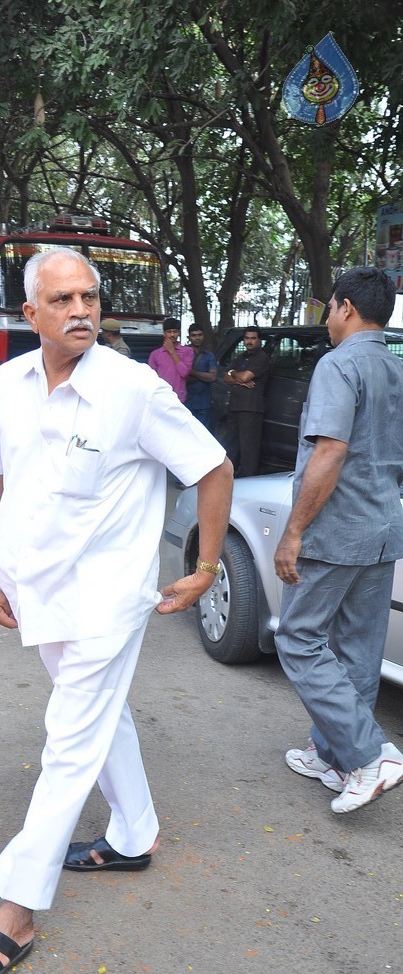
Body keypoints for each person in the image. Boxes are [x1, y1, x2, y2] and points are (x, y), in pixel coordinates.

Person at [0, 248, 233, 974]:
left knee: (69, 739)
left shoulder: (133, 389)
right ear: (29, 311)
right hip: (35, 593)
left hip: (107, 599)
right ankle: (134, 834)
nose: (80, 310)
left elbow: (213, 466)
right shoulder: (5, 385)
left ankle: (16, 911)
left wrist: (202, 568)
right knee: (104, 720)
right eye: (62, 299)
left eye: (90, 297)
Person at [274, 266, 403, 814]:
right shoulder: (396, 367)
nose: (326, 318)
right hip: (381, 526)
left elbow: (329, 451)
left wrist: (294, 531)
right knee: (357, 647)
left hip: (336, 531)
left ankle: (370, 754)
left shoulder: (339, 364)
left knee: (298, 640)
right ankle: (335, 756)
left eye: (328, 307)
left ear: (346, 307)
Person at [223, 326, 270, 476]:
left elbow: (244, 377)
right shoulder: (241, 357)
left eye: (253, 338)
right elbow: (226, 377)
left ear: (259, 340)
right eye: (247, 338)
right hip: (235, 406)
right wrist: (238, 380)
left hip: (250, 409)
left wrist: (234, 375)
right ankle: (229, 477)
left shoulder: (261, 357)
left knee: (248, 448)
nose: (249, 341)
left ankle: (248, 481)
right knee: (231, 446)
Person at [148, 316, 194, 402]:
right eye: (169, 332)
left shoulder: (187, 351)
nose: (172, 335)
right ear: (164, 333)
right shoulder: (155, 354)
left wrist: (172, 351)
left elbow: (184, 373)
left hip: (179, 398)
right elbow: (151, 378)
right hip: (160, 397)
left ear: (179, 333)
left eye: (175, 331)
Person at [184, 322, 217, 430]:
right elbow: (182, 377)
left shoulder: (209, 356)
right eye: (194, 335)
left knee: (202, 435)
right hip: (185, 401)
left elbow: (212, 377)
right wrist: (203, 376)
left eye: (199, 335)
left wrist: (192, 372)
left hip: (204, 403)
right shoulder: (182, 353)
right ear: (189, 337)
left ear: (203, 336)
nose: (197, 338)